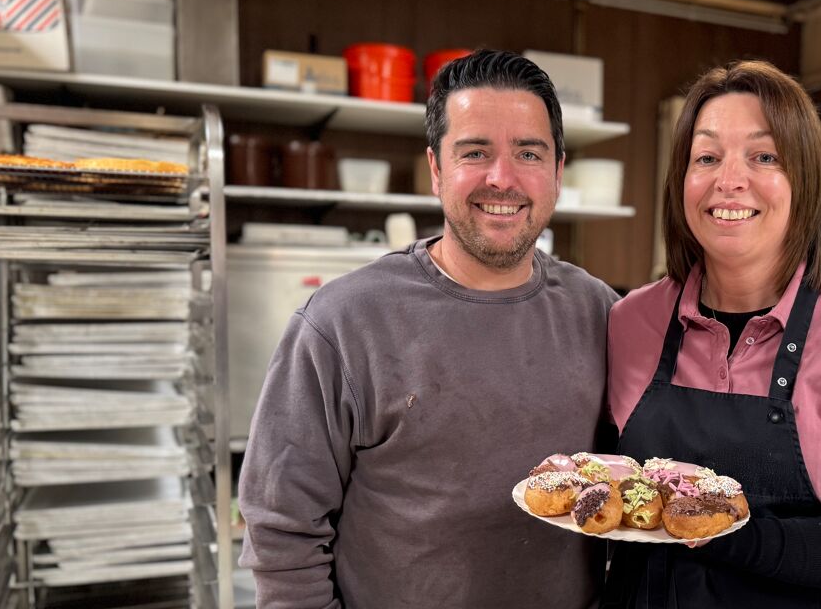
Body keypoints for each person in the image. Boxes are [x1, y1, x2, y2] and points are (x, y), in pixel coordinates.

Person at [239, 49, 617, 608]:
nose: (503, 178)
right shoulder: (343, 322)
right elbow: (282, 532)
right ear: (436, 169)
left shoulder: (602, 313)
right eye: (475, 152)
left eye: (528, 153)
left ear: (557, 171)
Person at [603, 60, 821, 608]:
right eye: (706, 157)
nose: (729, 180)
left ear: (805, 179)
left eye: (764, 156)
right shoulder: (630, 319)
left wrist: (709, 529)